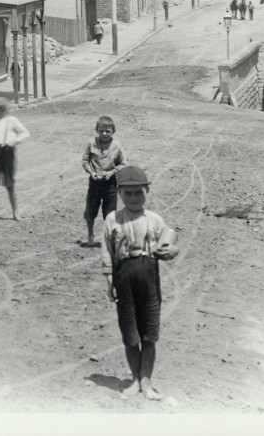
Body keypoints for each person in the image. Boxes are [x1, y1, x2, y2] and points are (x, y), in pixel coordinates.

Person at [100, 165, 179, 400]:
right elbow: (107, 250)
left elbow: (171, 244)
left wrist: (170, 250)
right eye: (128, 193)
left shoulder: (155, 220)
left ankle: (146, 382)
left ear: (147, 192)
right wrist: (110, 278)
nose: (134, 198)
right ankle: (135, 379)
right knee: (130, 333)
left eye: (139, 193)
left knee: (149, 333)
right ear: (120, 193)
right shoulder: (112, 219)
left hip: (149, 279)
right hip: (124, 278)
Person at [82, 115, 125, 247]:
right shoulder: (92, 143)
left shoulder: (117, 146)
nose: (104, 134)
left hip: (110, 184)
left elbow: (122, 164)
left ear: (113, 132)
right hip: (94, 182)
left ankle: (110, 238)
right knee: (90, 210)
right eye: (101, 131)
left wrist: (111, 172)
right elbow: (85, 161)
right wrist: (92, 173)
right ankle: (90, 235)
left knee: (110, 214)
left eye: (108, 131)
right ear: (96, 130)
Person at [0, 98, 31, 220]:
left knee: (9, 185)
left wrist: (15, 141)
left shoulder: (12, 120)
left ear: (2, 110)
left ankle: (15, 212)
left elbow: (25, 133)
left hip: (7, 152)